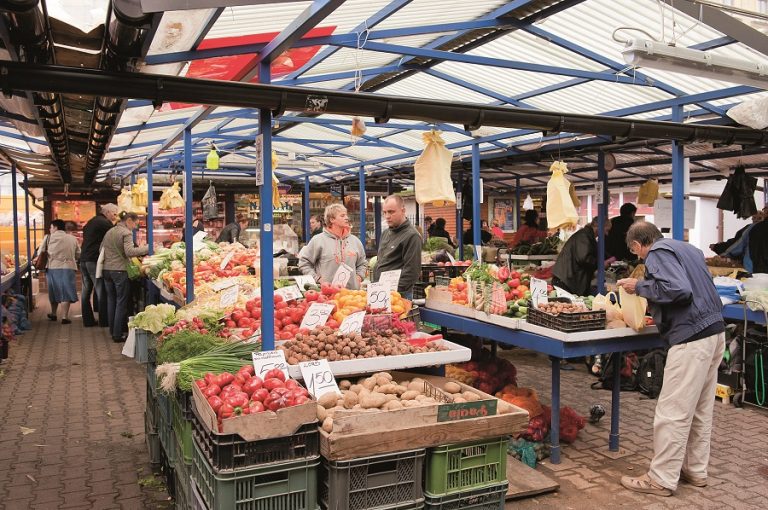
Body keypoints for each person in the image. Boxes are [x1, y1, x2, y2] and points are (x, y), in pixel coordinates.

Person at [617, 221, 725, 497]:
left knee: (672, 411)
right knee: (701, 410)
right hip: (714, 332)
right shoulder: (687, 249)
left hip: (691, 337)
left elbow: (678, 290)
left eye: (637, 253)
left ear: (637, 245)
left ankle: (661, 478)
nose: (640, 258)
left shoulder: (658, 253)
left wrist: (639, 286)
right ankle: (695, 470)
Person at [101, 212, 149, 342]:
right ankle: (117, 334)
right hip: (119, 271)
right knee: (121, 302)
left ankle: (113, 330)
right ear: (129, 220)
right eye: (135, 224)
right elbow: (130, 252)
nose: (134, 227)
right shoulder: (126, 233)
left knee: (111, 301)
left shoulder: (110, 231)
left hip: (107, 270)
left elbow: (102, 249)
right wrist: (148, 248)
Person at [298, 204, 367, 290]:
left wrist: (359, 277)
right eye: (342, 215)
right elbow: (304, 263)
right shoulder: (318, 240)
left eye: (346, 215)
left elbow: (362, 264)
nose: (346, 218)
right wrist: (317, 279)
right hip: (327, 295)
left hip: (351, 296)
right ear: (332, 219)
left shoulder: (355, 241)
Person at [374, 194, 422, 298]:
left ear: (403, 210)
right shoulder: (386, 233)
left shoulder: (412, 236)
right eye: (385, 212)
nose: (387, 216)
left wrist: (393, 292)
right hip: (380, 293)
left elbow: (412, 271)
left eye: (391, 212)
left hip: (398, 296)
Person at [80, 204, 118, 328]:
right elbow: (116, 236)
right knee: (100, 290)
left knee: (86, 291)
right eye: (114, 213)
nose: (115, 216)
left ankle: (88, 320)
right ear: (107, 212)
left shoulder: (92, 221)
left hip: (84, 259)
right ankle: (104, 321)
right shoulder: (104, 223)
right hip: (93, 259)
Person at [551, 217, 609, 296]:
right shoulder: (584, 236)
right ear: (598, 226)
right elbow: (584, 258)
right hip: (566, 281)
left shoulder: (587, 235)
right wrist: (600, 264)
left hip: (568, 280)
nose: (607, 234)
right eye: (606, 230)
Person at [45, 219, 80, 324]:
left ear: (55, 227)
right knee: (66, 291)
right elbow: (78, 253)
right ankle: (64, 317)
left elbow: (41, 251)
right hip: (68, 267)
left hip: (52, 267)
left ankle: (54, 313)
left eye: (51, 227)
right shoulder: (72, 238)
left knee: (53, 290)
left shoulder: (48, 238)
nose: (50, 229)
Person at [748, 207, 768, 273]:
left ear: (764, 217)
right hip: (755, 265)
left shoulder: (758, 228)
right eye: (754, 218)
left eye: (759, 218)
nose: (756, 220)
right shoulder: (748, 230)